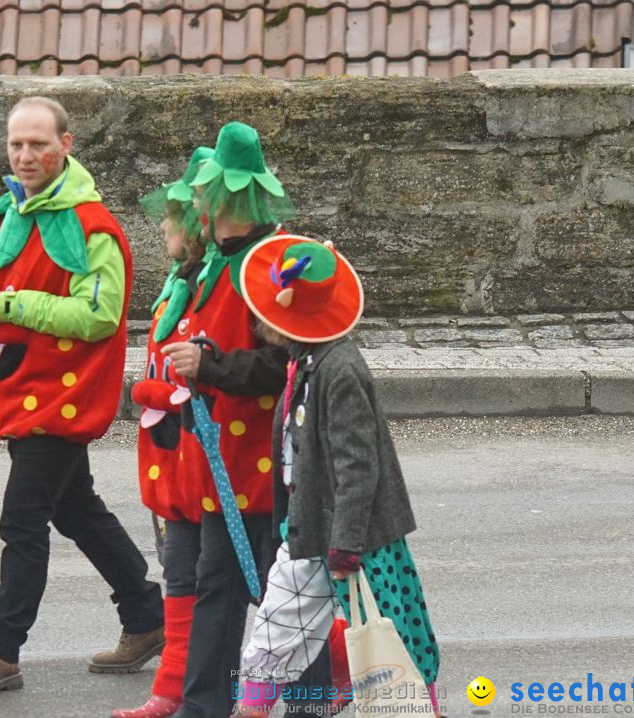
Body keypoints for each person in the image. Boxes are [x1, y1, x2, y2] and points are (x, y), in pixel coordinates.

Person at [0, 96, 164, 695]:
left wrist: (9, 306)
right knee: (75, 509)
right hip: (20, 388)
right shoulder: (5, 211)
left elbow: (100, 314)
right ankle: (147, 615)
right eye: (17, 144)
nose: (26, 155)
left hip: (62, 402)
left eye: (38, 143)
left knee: (23, 520)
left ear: (66, 145)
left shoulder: (93, 227)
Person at [231, 235, 441, 716]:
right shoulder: (306, 361)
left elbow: (357, 465)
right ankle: (251, 710)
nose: (256, 319)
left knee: (396, 637)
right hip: (311, 528)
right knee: (272, 638)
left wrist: (346, 546)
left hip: (353, 535)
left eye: (264, 311)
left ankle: (422, 707)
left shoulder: (340, 371)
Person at [160, 121, 297, 718]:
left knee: (280, 597)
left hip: (265, 464)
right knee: (219, 585)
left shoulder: (271, 263)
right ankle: (204, 706)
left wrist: (209, 365)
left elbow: (280, 362)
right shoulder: (215, 262)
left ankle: (306, 698)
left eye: (201, 195)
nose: (193, 206)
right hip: (220, 460)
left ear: (224, 199)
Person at [112, 147, 214, 718]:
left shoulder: (208, 288)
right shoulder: (178, 283)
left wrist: (161, 392)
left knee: (270, 587)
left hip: (207, 467)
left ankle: (337, 671)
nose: (162, 227)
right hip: (173, 464)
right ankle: (170, 689)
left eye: (171, 218)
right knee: (178, 577)